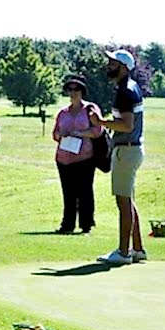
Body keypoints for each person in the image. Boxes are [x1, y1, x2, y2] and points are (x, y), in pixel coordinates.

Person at [93, 49, 147, 266]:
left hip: (126, 150)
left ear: (124, 67)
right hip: (131, 149)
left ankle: (124, 252)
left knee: (123, 202)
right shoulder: (131, 88)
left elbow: (126, 124)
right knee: (128, 201)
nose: (109, 66)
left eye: (113, 63)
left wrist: (100, 122)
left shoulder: (125, 91)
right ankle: (138, 249)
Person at [53, 75, 103, 234]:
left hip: (85, 157)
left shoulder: (90, 109)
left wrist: (80, 133)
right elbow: (54, 133)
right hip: (64, 158)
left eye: (76, 89)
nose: (73, 92)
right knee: (68, 192)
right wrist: (61, 135)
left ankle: (86, 224)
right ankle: (67, 224)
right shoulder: (63, 112)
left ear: (82, 91)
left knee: (85, 191)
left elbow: (98, 130)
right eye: (70, 89)